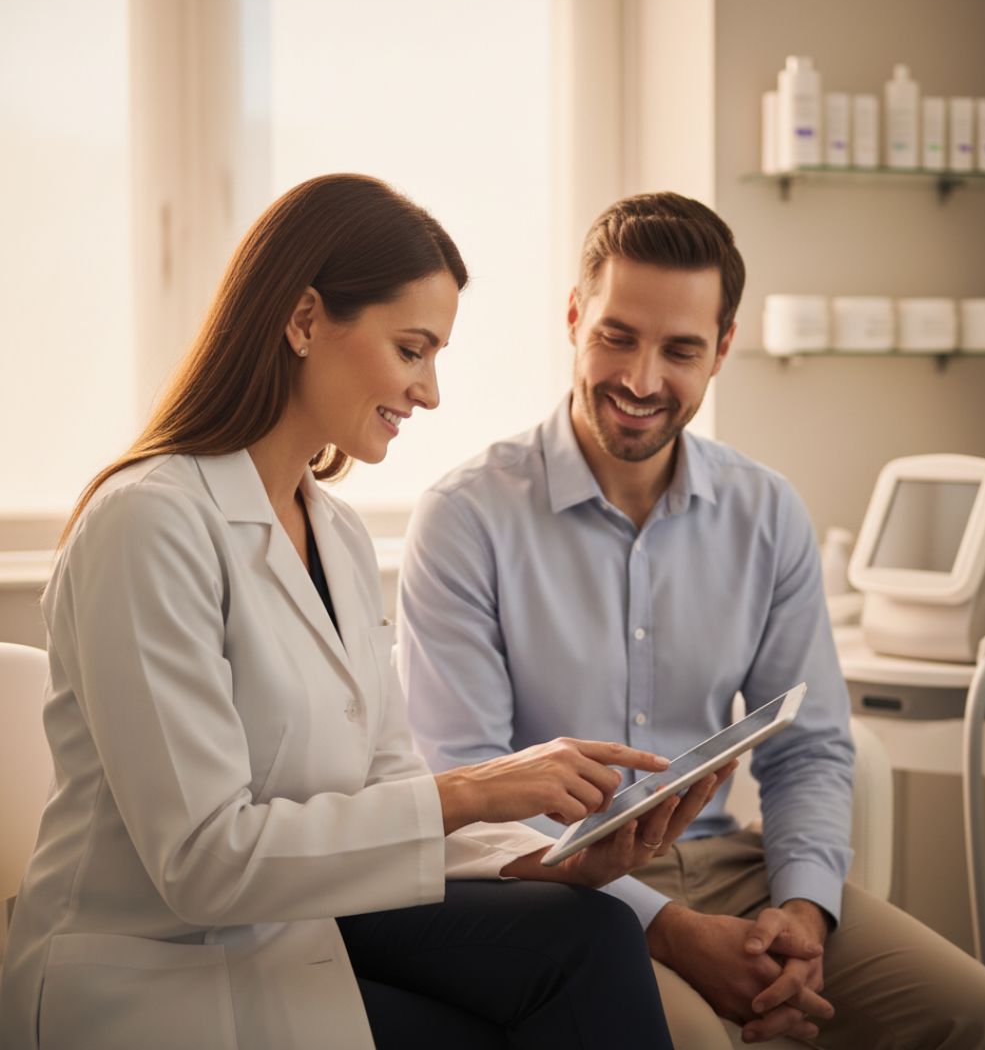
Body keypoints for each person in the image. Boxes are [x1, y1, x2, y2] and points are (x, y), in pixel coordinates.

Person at [0, 176, 738, 1050]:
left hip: (293, 940)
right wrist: (474, 787)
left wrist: (555, 857)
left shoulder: (338, 535)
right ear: (305, 320)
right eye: (412, 349)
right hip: (161, 978)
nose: (429, 393)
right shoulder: (146, 522)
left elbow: (386, 788)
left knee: (589, 934)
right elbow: (204, 864)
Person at [398, 192, 985, 1049]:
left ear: (723, 350)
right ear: (576, 315)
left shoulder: (766, 512)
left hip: (734, 866)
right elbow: (473, 790)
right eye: (618, 335)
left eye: (681, 349)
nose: (642, 379)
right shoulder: (465, 518)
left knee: (982, 1018)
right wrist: (671, 930)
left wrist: (804, 914)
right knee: (697, 1042)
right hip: (560, 888)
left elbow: (810, 749)